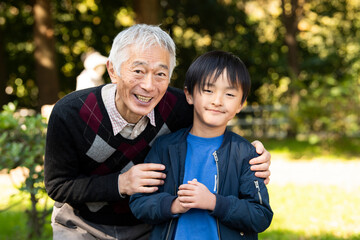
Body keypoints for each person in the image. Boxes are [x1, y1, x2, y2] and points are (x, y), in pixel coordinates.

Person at [44, 24, 271, 240]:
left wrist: (252, 152)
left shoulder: (179, 106)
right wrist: (121, 183)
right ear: (113, 70)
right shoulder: (72, 113)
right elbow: (58, 185)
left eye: (160, 74)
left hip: (147, 228)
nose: (149, 86)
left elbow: (213, 118)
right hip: (82, 224)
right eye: (138, 71)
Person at [130, 50, 273, 240]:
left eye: (230, 94)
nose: (217, 101)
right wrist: (174, 205)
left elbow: (260, 215)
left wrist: (214, 202)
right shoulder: (165, 147)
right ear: (189, 95)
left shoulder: (245, 154)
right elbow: (139, 203)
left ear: (241, 104)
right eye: (208, 90)